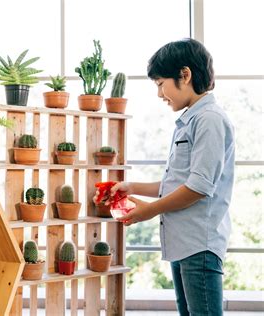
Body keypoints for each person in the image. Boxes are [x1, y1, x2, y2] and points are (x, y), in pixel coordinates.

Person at [109, 38, 235, 315]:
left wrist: (149, 211)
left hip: (199, 244)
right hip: (185, 244)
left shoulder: (209, 120)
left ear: (185, 75)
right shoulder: (192, 119)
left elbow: (199, 187)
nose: (159, 94)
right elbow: (178, 184)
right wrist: (132, 187)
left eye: (160, 83)